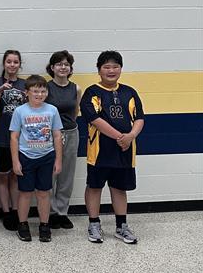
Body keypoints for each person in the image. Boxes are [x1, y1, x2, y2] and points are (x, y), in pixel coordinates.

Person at [80, 51, 145, 244]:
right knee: (94, 187)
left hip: (124, 151)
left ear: (120, 69)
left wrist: (131, 136)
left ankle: (121, 226)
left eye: (115, 67)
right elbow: (94, 119)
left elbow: (139, 118)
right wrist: (120, 137)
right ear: (99, 70)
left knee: (119, 188)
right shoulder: (92, 92)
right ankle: (94, 223)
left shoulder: (130, 92)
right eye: (106, 67)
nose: (111, 70)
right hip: (99, 152)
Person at [9, 75, 63, 243]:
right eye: (35, 91)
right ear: (27, 93)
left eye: (42, 91)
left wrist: (58, 160)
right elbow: (14, 138)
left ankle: (44, 225)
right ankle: (23, 224)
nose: (39, 94)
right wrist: (15, 161)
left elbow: (56, 136)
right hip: (26, 157)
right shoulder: (20, 111)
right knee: (25, 193)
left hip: (47, 157)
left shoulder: (52, 110)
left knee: (44, 193)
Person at [45, 50, 81, 230]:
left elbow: (74, 113)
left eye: (66, 64)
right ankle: (51, 212)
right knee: (51, 174)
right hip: (51, 135)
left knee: (66, 175)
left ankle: (62, 212)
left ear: (70, 68)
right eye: (59, 64)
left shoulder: (76, 88)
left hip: (71, 133)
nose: (62, 67)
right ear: (52, 67)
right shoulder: (46, 87)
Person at [0, 50, 26, 231]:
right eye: (9, 62)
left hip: (21, 139)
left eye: (15, 62)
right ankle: (5, 212)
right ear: (4, 64)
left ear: (20, 64)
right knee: (2, 176)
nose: (12, 65)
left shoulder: (25, 84)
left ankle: (15, 210)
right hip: (2, 137)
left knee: (16, 176)